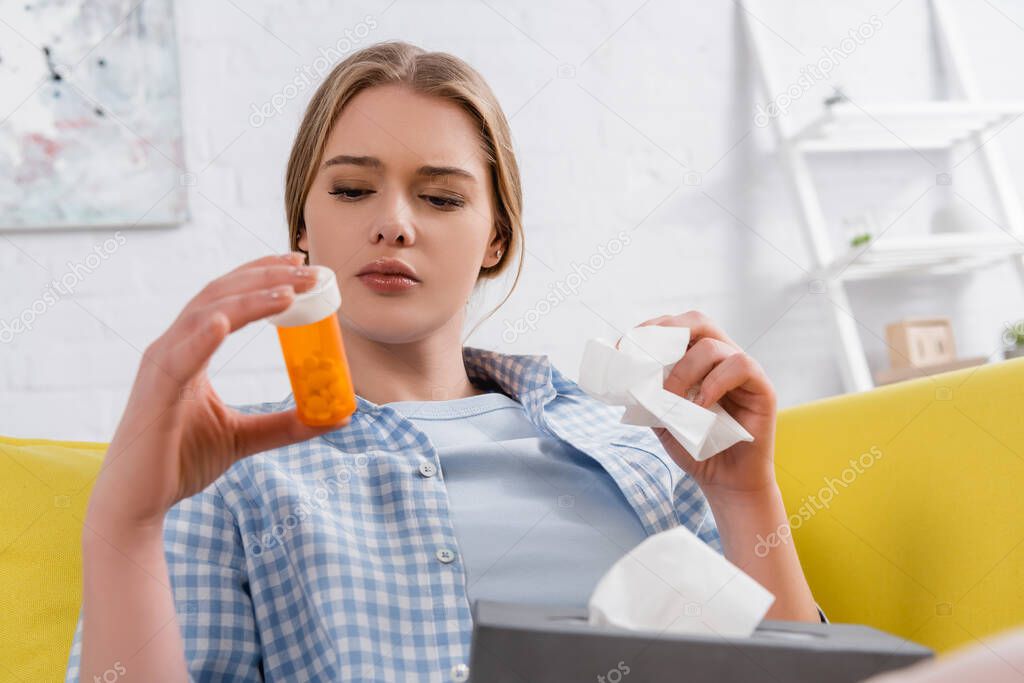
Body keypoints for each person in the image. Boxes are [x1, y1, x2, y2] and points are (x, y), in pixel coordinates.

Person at [65, 40, 822, 682]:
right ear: (304, 223)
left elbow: (803, 671)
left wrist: (745, 491)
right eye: (354, 189)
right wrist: (126, 524)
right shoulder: (218, 468)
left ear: (497, 238)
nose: (393, 224)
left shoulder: (644, 444)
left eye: (441, 199)